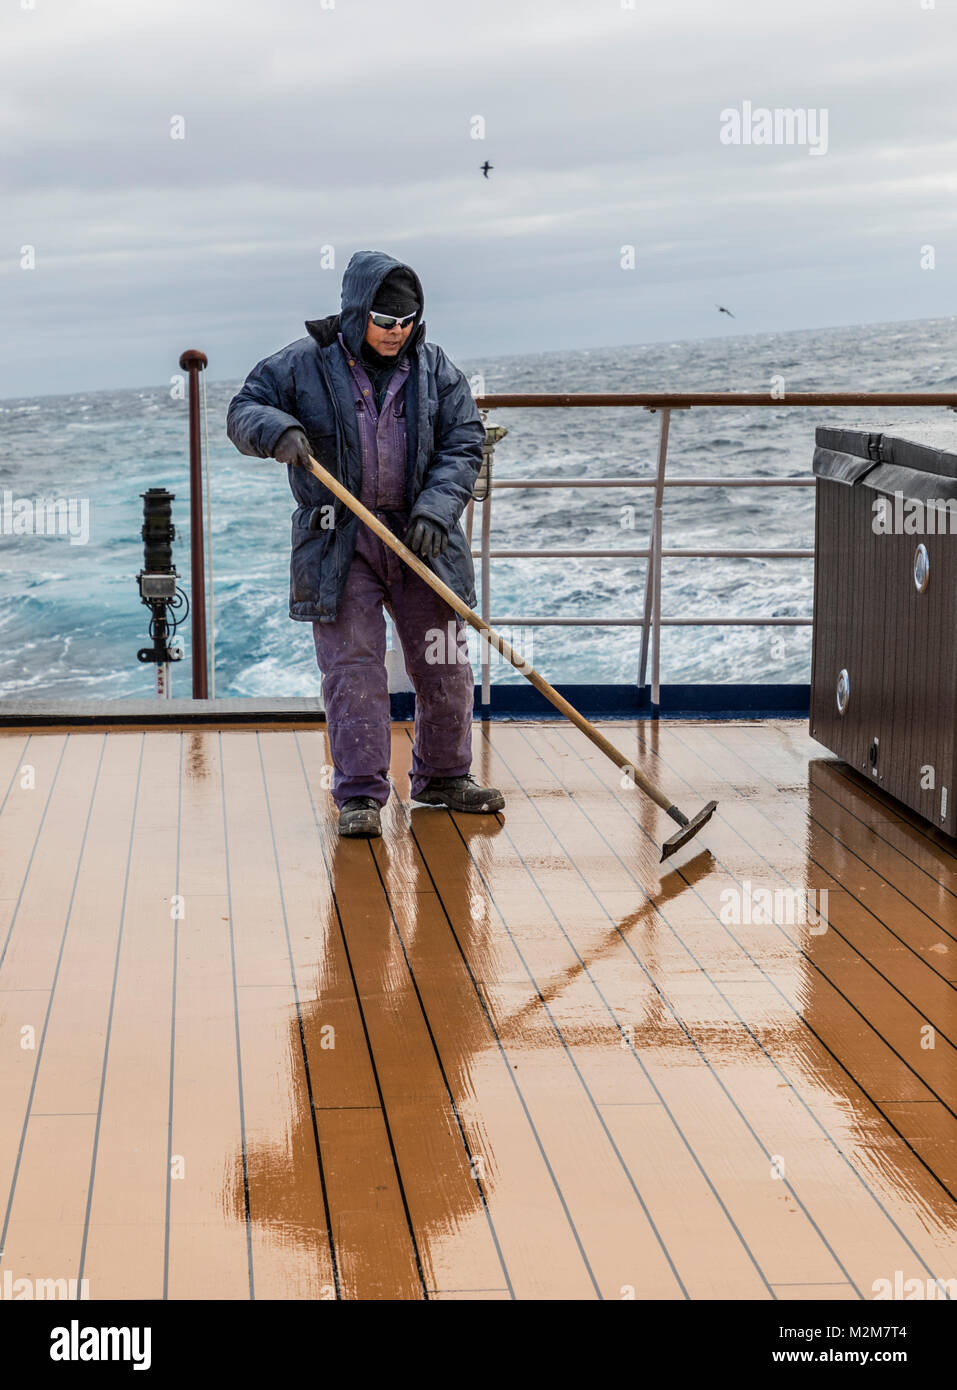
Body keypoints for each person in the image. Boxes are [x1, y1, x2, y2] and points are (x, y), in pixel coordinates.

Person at [226, 249, 505, 837]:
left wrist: (436, 509)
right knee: (353, 669)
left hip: (421, 539)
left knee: (444, 659)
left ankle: (445, 778)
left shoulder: (436, 369)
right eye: (384, 321)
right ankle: (358, 796)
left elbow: (463, 440)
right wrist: (278, 430)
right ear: (357, 312)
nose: (395, 334)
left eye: (406, 323)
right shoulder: (302, 364)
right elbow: (243, 408)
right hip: (338, 540)